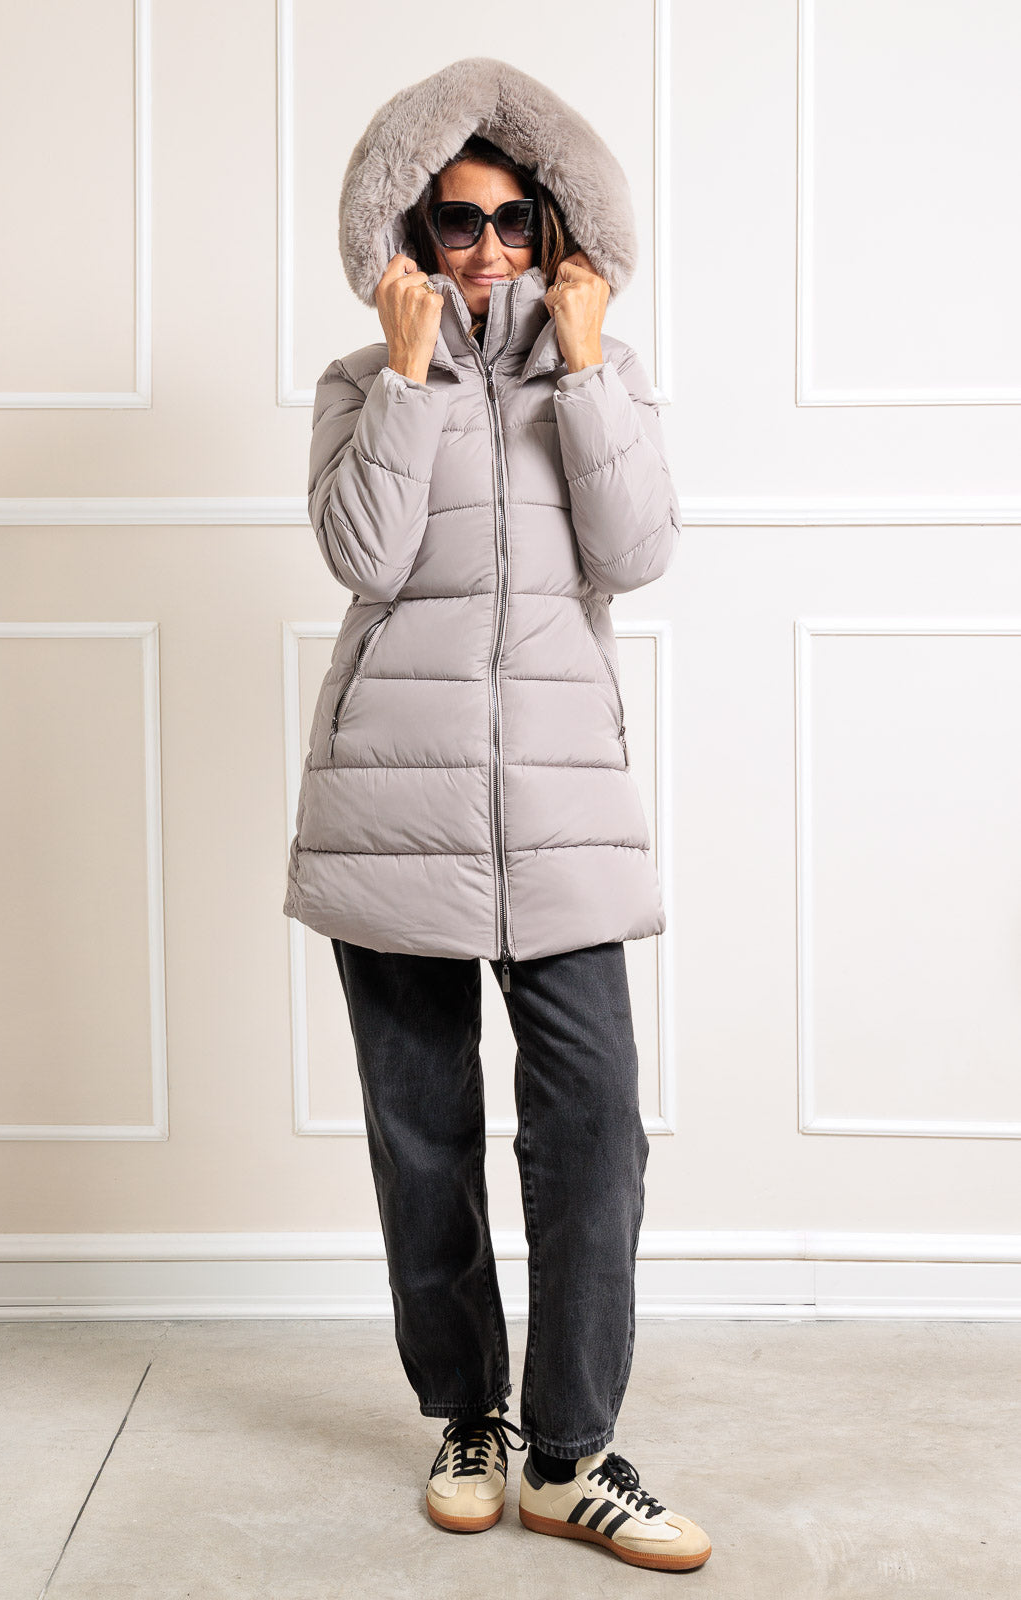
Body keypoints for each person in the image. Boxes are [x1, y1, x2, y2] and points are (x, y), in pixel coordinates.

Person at [283, 58, 711, 1572]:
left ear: (554, 227)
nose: (485, 251)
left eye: (513, 220)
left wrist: (585, 371)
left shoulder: (606, 367)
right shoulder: (359, 382)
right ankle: (467, 1417)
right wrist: (408, 381)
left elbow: (637, 549)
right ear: (412, 233)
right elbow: (364, 556)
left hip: (560, 807)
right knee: (424, 1135)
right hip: (389, 806)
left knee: (593, 1129)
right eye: (455, 222)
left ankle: (571, 1453)